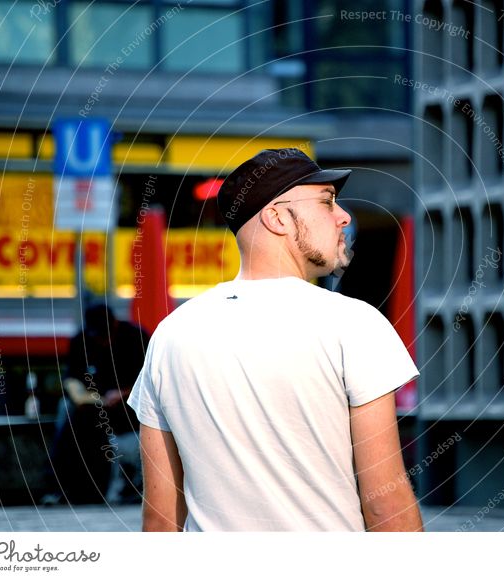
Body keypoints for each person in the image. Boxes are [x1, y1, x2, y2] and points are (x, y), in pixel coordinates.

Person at [129, 148, 423, 531]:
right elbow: (386, 505)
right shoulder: (353, 324)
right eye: (326, 201)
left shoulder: (170, 335)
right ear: (277, 217)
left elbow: (160, 519)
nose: (343, 216)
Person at [42, 303, 149, 504]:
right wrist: (81, 395)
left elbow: (150, 377)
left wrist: (122, 393)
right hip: (90, 406)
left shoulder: (136, 337)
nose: (102, 341)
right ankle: (59, 485)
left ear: (114, 325)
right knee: (66, 412)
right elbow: (71, 377)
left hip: (128, 406)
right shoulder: (81, 340)